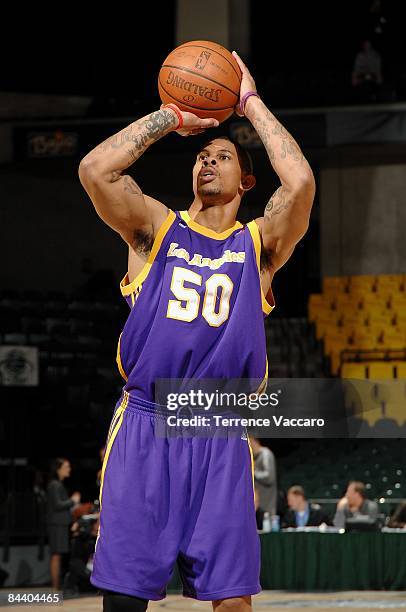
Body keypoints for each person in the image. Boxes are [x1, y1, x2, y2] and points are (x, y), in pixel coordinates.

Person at [79, 50, 315, 612]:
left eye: (222, 156)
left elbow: (301, 180)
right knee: (126, 597)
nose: (206, 162)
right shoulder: (154, 229)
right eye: (201, 156)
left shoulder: (259, 246)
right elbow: (95, 170)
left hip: (218, 431)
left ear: (246, 179)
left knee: (232, 600)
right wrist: (174, 117)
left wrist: (249, 103)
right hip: (146, 425)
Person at [47, 458, 81, 590]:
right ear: (58, 469)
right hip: (56, 524)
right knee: (56, 555)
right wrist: (72, 500)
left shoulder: (57, 484)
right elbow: (57, 504)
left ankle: (57, 587)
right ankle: (55, 588)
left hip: (59, 523)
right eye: (66, 467)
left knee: (58, 555)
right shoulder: (54, 485)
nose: (69, 469)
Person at [248, 436, 277, 517]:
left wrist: (253, 472)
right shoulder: (253, 457)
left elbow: (269, 477)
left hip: (266, 506)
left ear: (252, 440)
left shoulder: (266, 454)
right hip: (256, 507)